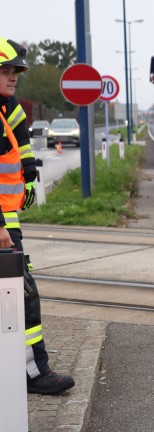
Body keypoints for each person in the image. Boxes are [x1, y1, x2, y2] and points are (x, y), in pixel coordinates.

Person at [0, 37, 75, 395]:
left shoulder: (4, 108)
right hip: (1, 227)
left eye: (15, 70)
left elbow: (18, 135)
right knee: (22, 297)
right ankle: (33, 373)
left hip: (7, 221)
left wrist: (28, 172)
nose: (13, 76)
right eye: (5, 70)